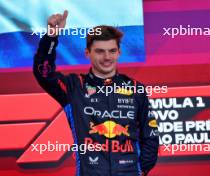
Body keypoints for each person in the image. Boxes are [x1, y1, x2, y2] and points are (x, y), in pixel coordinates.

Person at [33, 10, 159, 176]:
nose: (107, 57)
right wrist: (51, 37)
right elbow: (43, 72)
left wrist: (140, 170)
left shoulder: (135, 88)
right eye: (100, 51)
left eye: (112, 51)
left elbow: (150, 135)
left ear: (119, 53)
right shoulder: (74, 86)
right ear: (87, 53)